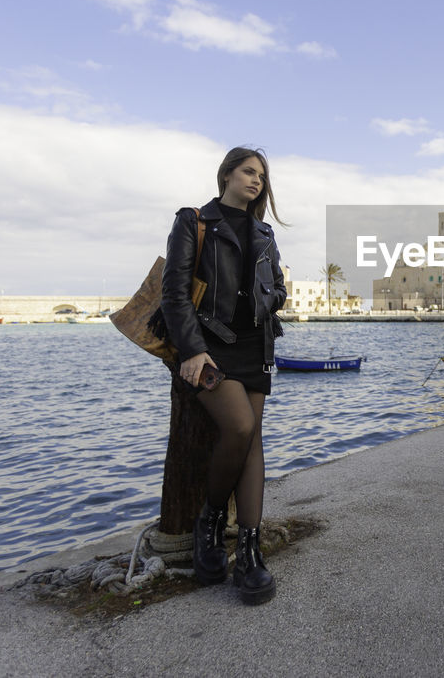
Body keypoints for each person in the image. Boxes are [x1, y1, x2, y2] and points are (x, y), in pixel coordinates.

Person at [160, 146, 288, 605]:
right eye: (248, 172)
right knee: (239, 427)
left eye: (262, 176)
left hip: (256, 344)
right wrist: (192, 350)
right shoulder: (194, 221)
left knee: (252, 440)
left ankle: (249, 553)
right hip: (211, 347)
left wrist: (269, 300)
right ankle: (210, 521)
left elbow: (278, 286)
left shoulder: (264, 232)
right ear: (227, 174)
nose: (256, 181)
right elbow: (173, 293)